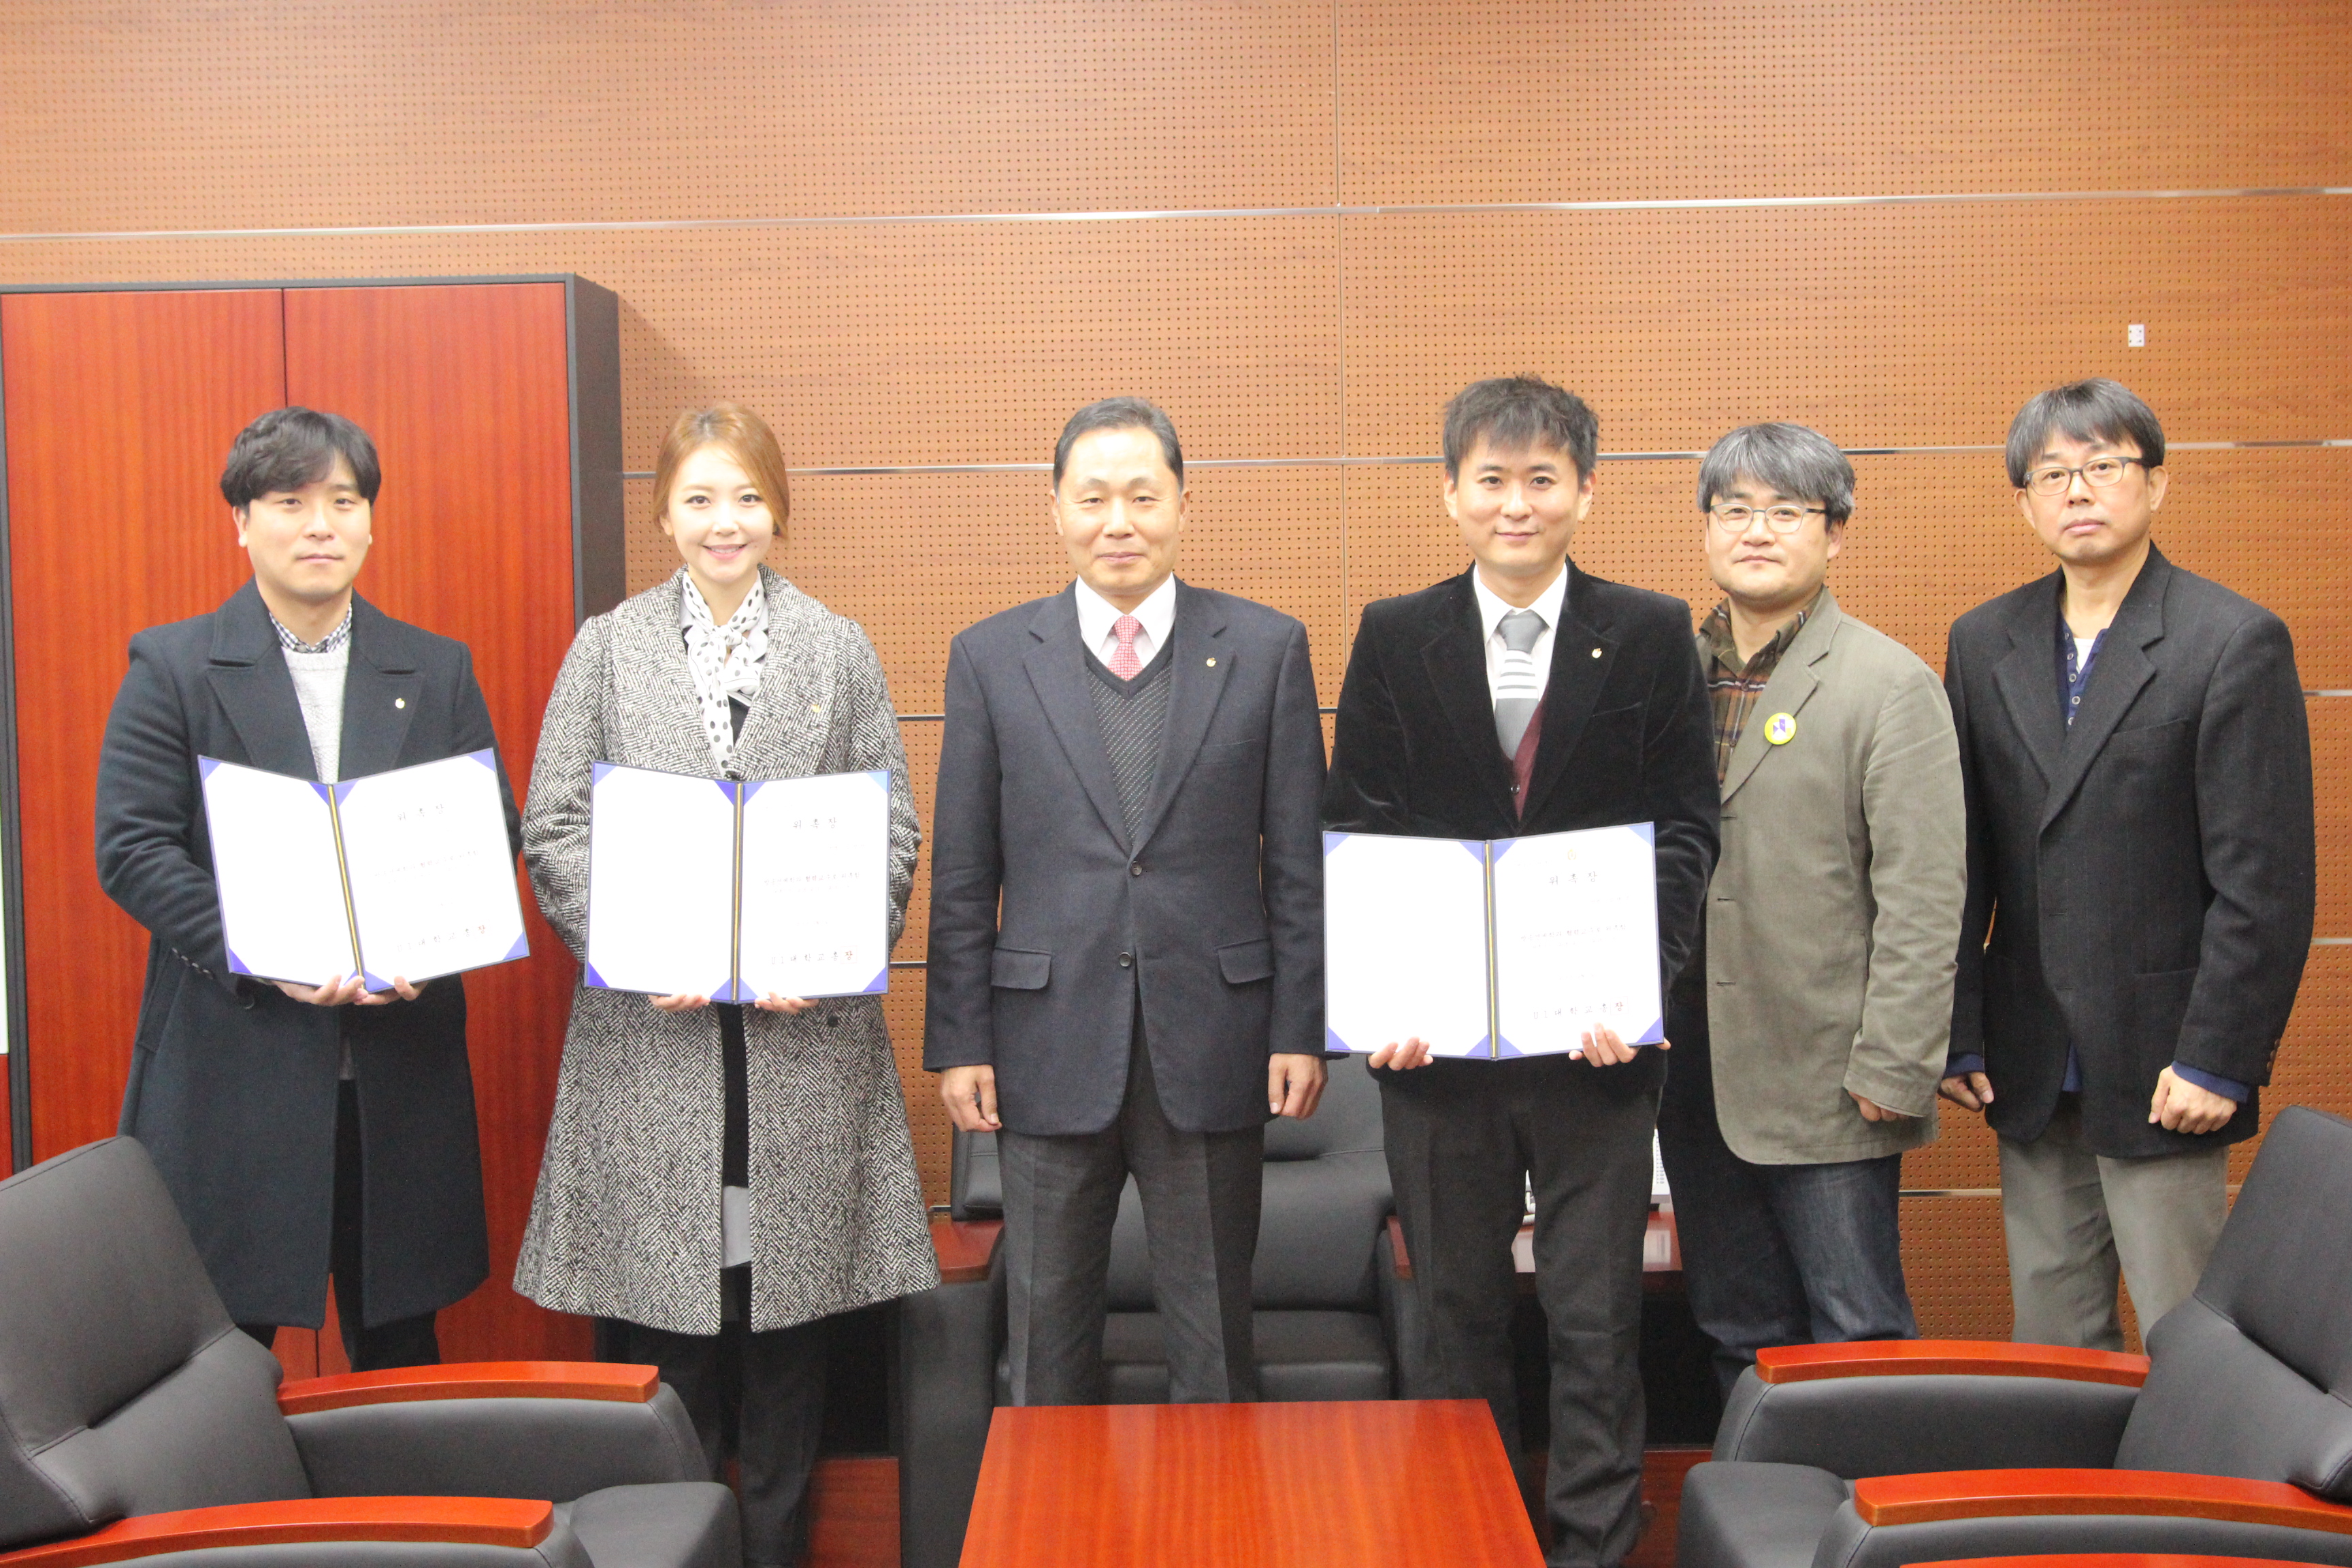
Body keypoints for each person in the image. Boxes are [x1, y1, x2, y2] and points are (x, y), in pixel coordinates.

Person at [513, 404, 936, 1568]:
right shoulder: (606, 647)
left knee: (789, 1336)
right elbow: (553, 823)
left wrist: (828, 946)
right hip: (652, 1049)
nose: (725, 521)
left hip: (800, 1053)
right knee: (668, 1340)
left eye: (747, 496)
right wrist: (643, 943)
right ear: (663, 512)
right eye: (700, 497)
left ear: (778, 511)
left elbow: (888, 825)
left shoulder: (838, 648)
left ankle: (780, 1549)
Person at [1324, 376, 1718, 1567]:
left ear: (1585, 492)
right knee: (1453, 1320)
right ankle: (1466, 1540)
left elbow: (1687, 825)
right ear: (1450, 493)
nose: (1515, 503)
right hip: (1435, 1060)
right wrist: (1381, 1005)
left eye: (1542, 478)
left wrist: (1633, 988)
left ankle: (1595, 1549)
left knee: (1599, 1325)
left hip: (1596, 1054)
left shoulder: (1650, 631)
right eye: (1490, 479)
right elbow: (1359, 824)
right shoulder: (1396, 634)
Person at [924, 397, 1328, 1406]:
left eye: (1143, 496)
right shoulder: (989, 658)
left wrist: (1300, 1027)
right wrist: (961, 1038)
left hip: (1216, 1038)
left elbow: (1299, 869)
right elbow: (967, 869)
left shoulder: (1267, 648)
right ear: (1055, 508)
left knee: (1215, 1345)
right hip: (1044, 1043)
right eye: (1093, 497)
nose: (1120, 520)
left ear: (1184, 505)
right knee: (1046, 1343)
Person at [96, 406, 512, 1369]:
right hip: (235, 1064)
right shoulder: (174, 666)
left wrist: (433, 942)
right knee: (224, 1349)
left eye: (344, 500)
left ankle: (404, 1525)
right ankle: (237, 1527)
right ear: (241, 521)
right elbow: (133, 849)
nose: (320, 525)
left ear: (371, 522)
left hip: (396, 1067)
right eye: (290, 501)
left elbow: (487, 835)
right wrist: (266, 950)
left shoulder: (436, 667)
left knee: (403, 1341)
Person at [1940, 378, 2315, 1350]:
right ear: (2024, 501)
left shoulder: (2230, 640)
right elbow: (1963, 857)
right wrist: (1960, 1031)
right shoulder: (1984, 643)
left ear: (2155, 484)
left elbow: (2263, 887)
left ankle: (2192, 1506)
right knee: (2054, 1345)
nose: (2078, 491)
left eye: (2104, 466)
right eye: (2052, 473)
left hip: (2167, 1060)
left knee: (2181, 1341)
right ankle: (2083, 1508)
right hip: (2028, 1060)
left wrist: (2218, 1058)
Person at [1654, 423, 1965, 1398]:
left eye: (1788, 511)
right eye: (1735, 509)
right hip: (1687, 1063)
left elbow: (1923, 893)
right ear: (1705, 529)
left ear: (1836, 535)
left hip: (1829, 1072)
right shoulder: (1658, 671)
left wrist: (1897, 1063)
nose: (1758, 530)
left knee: (1855, 1332)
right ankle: (1763, 1524)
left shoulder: (1889, 684)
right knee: (1735, 1324)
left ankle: (1864, 1537)